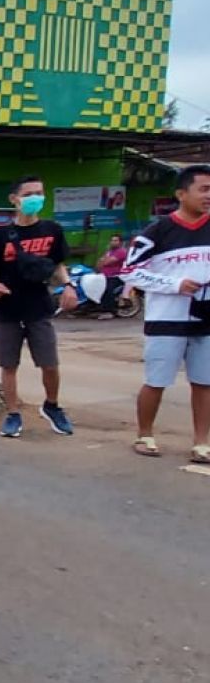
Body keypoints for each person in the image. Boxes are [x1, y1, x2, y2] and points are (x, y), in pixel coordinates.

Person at [0, 175, 79, 438]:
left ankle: (52, 406)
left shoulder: (52, 230)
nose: (35, 198)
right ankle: (12, 414)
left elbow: (57, 265)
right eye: (29, 193)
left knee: (50, 363)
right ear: (14, 199)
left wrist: (68, 286)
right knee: (9, 365)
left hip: (39, 307)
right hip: (7, 308)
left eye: (39, 193)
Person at [122, 164, 210, 462]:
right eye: (204, 189)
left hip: (206, 319)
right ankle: (145, 434)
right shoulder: (157, 231)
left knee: (204, 382)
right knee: (157, 381)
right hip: (166, 319)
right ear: (181, 194)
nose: (209, 196)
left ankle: (201, 443)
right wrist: (174, 284)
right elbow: (130, 272)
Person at [96, 233, 129, 319]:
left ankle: (108, 311)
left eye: (115, 240)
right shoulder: (109, 252)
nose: (113, 242)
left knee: (106, 289)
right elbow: (99, 264)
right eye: (112, 240)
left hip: (115, 276)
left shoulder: (121, 251)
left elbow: (106, 262)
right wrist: (102, 261)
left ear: (120, 242)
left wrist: (103, 260)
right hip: (104, 276)